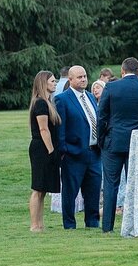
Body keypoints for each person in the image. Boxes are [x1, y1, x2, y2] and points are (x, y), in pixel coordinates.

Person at [97, 58, 138, 233]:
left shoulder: (111, 87)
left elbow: (102, 115)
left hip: (114, 141)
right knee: (137, 184)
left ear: (122, 71)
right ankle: (137, 222)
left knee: (110, 184)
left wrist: (101, 138)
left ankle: (107, 226)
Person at [55, 63, 101, 229]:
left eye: (85, 76)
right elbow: (60, 128)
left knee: (94, 189)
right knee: (70, 192)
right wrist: (64, 151)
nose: (83, 80)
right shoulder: (62, 99)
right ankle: (69, 224)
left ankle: (93, 222)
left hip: (94, 152)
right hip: (73, 153)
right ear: (70, 79)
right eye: (79, 77)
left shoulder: (89, 96)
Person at [28, 71, 61, 231]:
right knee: (38, 187)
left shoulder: (48, 102)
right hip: (41, 148)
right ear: (43, 83)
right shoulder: (41, 103)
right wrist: (51, 151)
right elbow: (43, 129)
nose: (55, 83)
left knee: (42, 190)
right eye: (52, 81)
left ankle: (40, 224)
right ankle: (34, 225)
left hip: (44, 148)